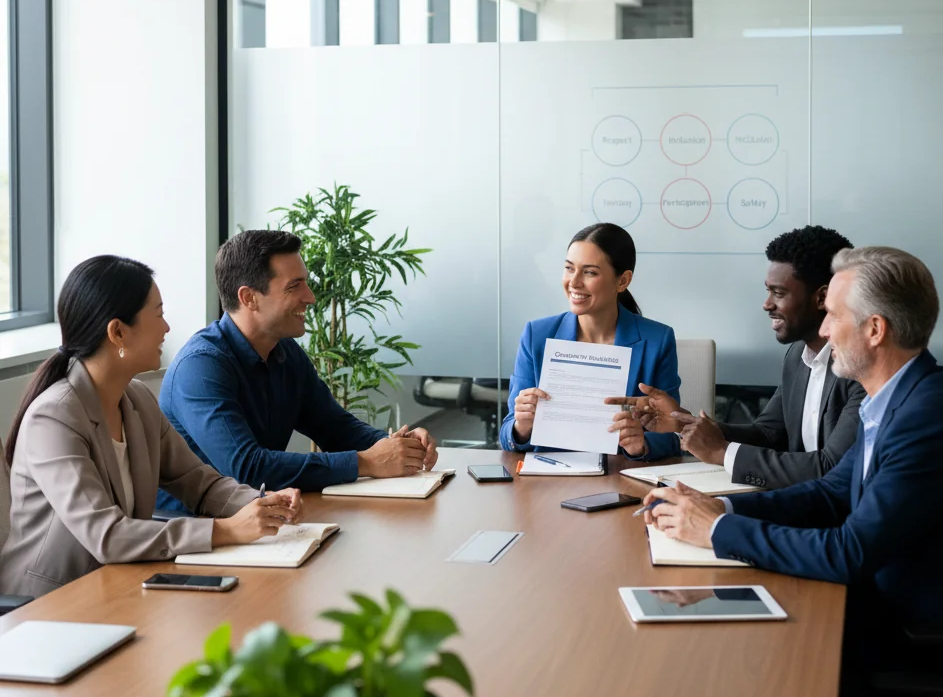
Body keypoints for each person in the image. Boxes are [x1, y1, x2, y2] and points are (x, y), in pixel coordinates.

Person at [643, 246, 943, 697]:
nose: (822, 330)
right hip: (883, 614)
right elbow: (831, 492)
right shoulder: (895, 397)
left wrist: (717, 532)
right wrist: (720, 510)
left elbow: (848, 552)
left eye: (833, 317)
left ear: (875, 329)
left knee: (734, 691)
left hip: (923, 646)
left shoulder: (926, 419)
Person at [0, 256, 301, 599]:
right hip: (47, 604)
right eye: (158, 314)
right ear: (118, 332)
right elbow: (107, 536)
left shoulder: (137, 400)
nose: (167, 328)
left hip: (117, 584)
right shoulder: (53, 418)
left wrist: (263, 503)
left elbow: (199, 483)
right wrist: (226, 530)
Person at [158, 231, 437, 513]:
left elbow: (334, 427)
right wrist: (366, 462)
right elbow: (247, 468)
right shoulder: (200, 367)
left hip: (260, 519)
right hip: (192, 532)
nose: (311, 297)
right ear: (249, 298)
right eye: (295, 286)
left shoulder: (286, 352)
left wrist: (396, 446)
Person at [638, 225, 866, 488]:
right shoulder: (797, 357)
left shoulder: (859, 367)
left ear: (822, 297)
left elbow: (830, 468)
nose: (767, 304)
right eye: (768, 291)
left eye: (779, 293)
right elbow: (768, 434)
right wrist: (686, 424)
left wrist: (721, 452)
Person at [499, 223, 681, 460]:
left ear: (622, 281)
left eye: (590, 272)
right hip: (546, 478)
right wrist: (521, 427)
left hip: (621, 479)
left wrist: (640, 444)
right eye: (568, 268)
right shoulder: (537, 335)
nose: (574, 282)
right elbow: (507, 436)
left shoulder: (658, 340)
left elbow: (673, 434)